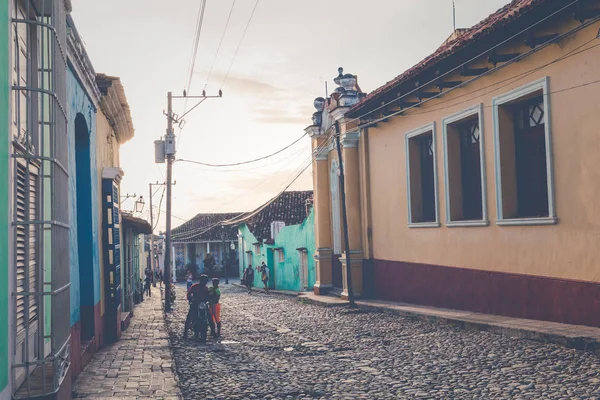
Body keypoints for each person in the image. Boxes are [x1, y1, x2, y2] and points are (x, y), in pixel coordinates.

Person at [184, 274, 211, 342]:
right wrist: (191, 299)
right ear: (201, 280)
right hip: (195, 304)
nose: (205, 282)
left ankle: (212, 330)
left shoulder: (206, 288)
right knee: (190, 316)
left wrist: (209, 298)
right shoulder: (194, 286)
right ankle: (185, 331)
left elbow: (208, 296)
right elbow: (189, 294)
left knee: (209, 316)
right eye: (204, 281)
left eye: (206, 281)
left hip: (203, 305)